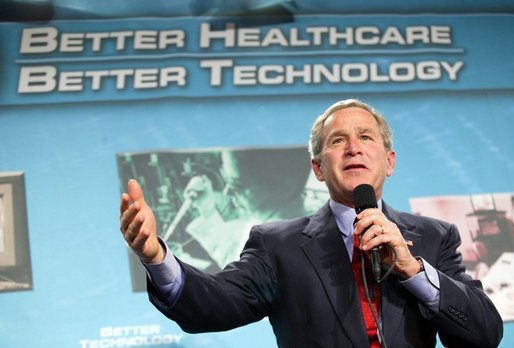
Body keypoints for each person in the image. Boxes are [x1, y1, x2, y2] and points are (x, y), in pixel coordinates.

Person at [119, 99, 503, 347]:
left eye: (366, 137)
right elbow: (212, 306)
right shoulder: (276, 245)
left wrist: (412, 270)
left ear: (389, 161)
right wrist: (156, 257)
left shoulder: (434, 237)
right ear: (318, 169)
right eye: (338, 141)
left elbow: (484, 334)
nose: (353, 147)